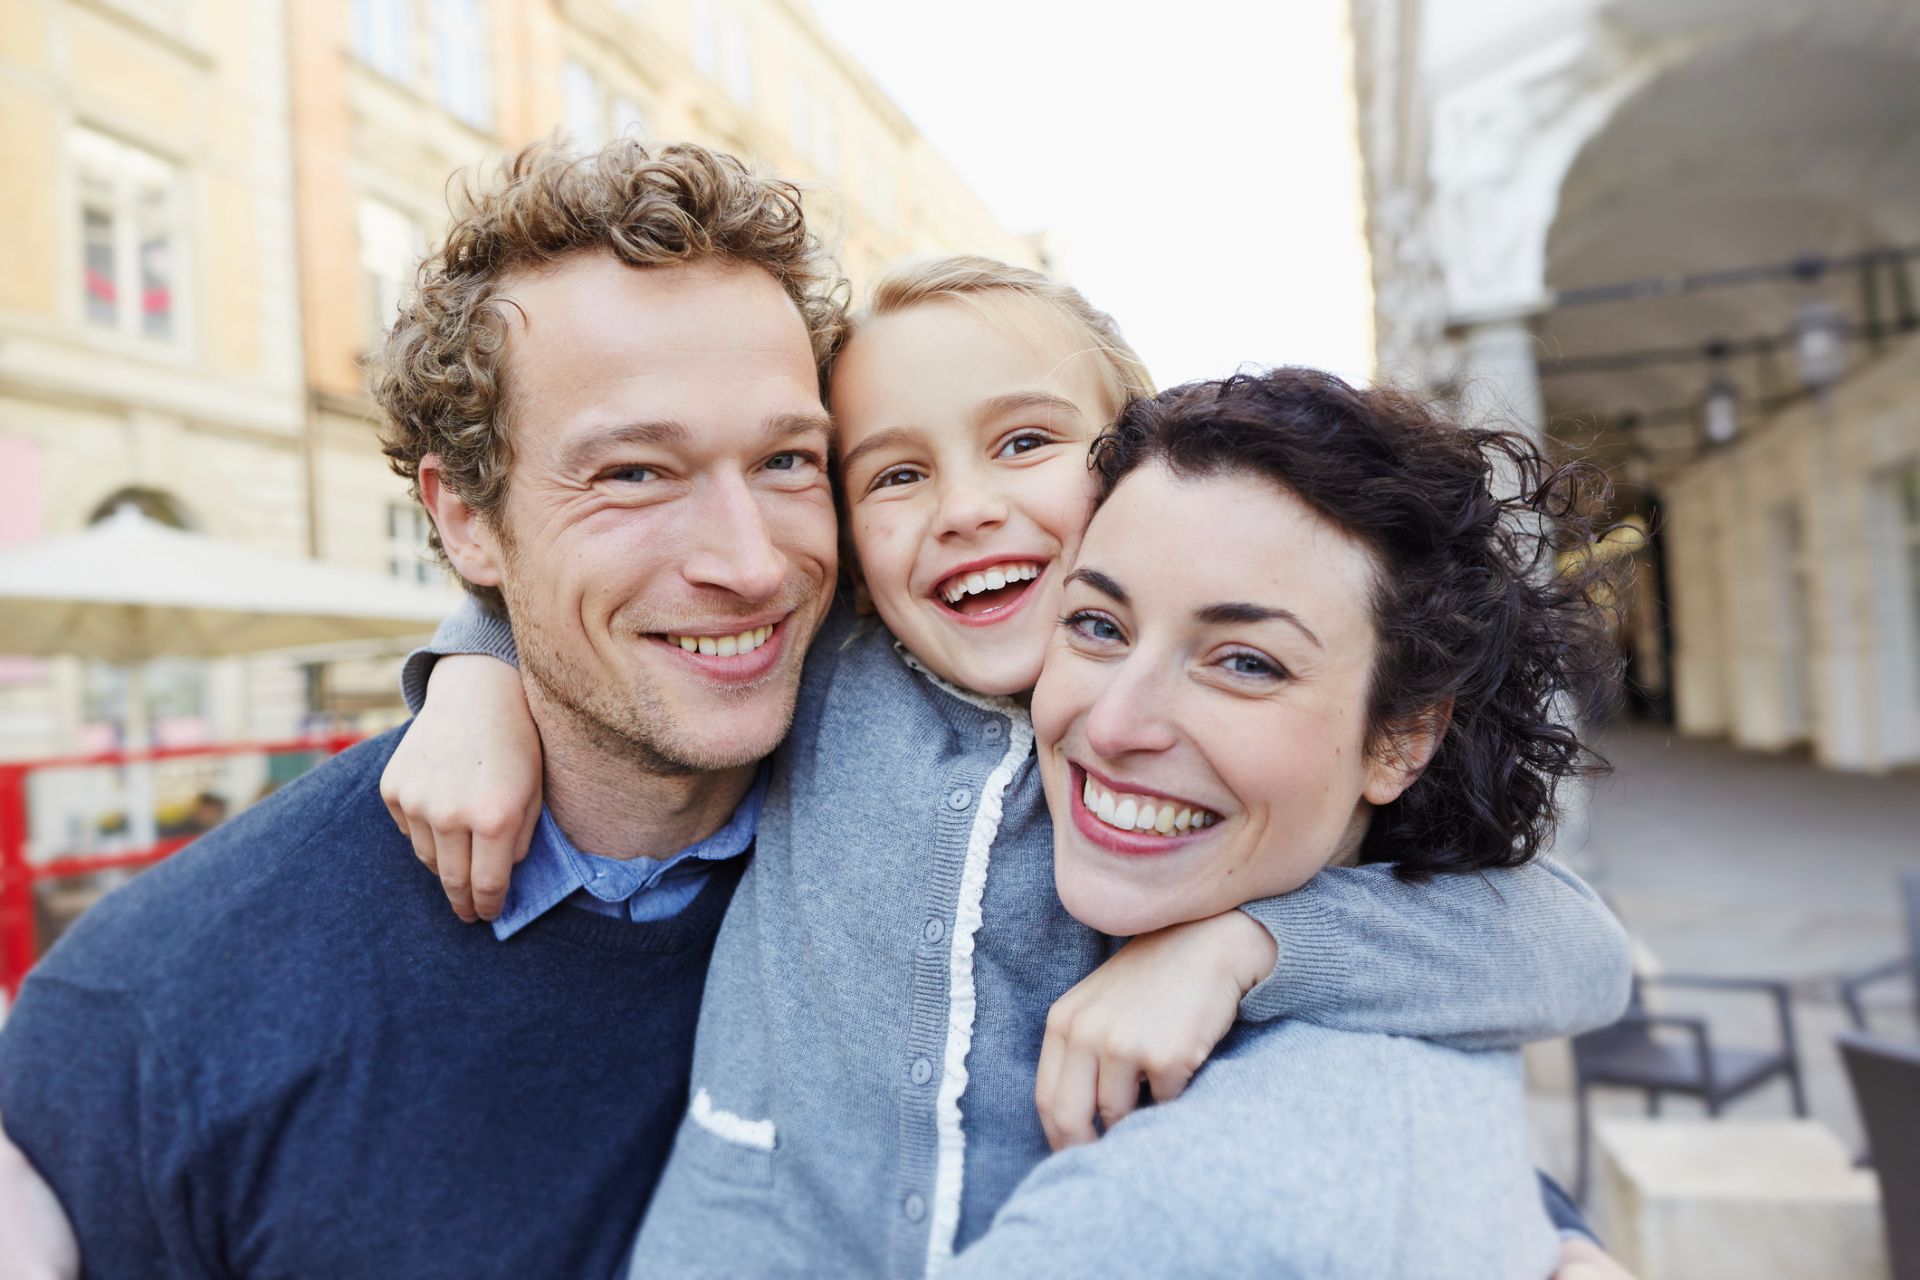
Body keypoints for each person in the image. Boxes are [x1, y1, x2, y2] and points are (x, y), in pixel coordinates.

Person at [388, 258, 1634, 1276]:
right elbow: (602, 599)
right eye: (895, 474)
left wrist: (1247, 942)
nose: (965, 507)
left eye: (1024, 441)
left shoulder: (1177, 777)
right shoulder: (821, 665)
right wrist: (468, 677)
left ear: (1131, 465)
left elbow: (1572, 947)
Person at [0, 137, 850, 1278]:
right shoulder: (152, 1008)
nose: (749, 563)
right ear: (464, 523)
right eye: (634, 473)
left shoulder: (955, 858)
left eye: (788, 461)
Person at [948, 367, 1623, 1275]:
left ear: (1400, 740)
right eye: (1099, 625)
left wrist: (1254, 946)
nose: (1111, 727)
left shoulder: (1172, 1210)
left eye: (1246, 663)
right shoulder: (1423, 994)